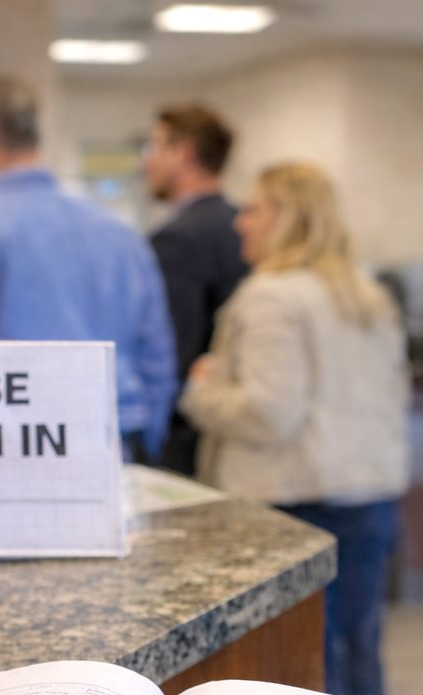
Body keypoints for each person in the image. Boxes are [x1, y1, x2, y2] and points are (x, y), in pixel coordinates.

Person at [179, 163, 409, 695]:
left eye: (254, 209)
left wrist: (200, 388)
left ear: (286, 218)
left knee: (306, 669)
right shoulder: (367, 292)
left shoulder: (270, 297)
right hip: (369, 494)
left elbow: (267, 414)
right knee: (357, 649)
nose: (240, 223)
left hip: (291, 504)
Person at [0, 72, 177, 462]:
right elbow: (157, 360)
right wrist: (141, 444)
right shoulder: (119, 232)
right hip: (117, 446)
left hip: (9, 458)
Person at [143, 103, 249, 475]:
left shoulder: (178, 239)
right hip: (233, 431)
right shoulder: (245, 224)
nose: (147, 162)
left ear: (183, 153)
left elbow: (172, 349)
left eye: (154, 147)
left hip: (190, 437)